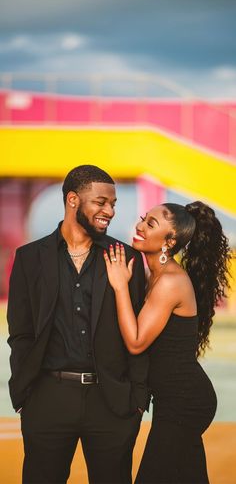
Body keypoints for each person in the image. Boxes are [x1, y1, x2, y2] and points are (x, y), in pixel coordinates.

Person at [7, 165, 150, 484]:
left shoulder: (125, 256)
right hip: (47, 398)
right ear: (73, 199)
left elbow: (138, 329)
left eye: (112, 203)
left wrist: (137, 399)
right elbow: (21, 332)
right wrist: (25, 395)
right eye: (101, 202)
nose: (110, 211)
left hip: (111, 402)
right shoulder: (29, 257)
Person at [104, 201, 232, 484]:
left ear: (170, 241)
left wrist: (119, 286)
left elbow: (136, 342)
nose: (139, 226)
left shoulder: (170, 281)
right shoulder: (156, 275)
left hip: (185, 402)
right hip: (173, 400)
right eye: (142, 219)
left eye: (151, 224)